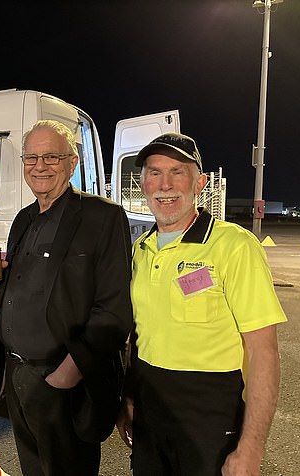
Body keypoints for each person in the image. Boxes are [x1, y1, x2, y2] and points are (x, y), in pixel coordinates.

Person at [116, 133, 287, 476]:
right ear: (143, 182)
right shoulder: (140, 250)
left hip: (211, 417)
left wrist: (251, 450)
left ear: (200, 182)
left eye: (177, 172)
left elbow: (263, 352)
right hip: (149, 411)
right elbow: (140, 336)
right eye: (154, 172)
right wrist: (129, 398)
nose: (165, 185)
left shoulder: (234, 246)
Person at [0, 120, 133, 475]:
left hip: (64, 382)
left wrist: (65, 376)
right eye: (32, 158)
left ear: (72, 163)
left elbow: (114, 310)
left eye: (51, 157)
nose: (40, 166)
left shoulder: (102, 217)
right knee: (33, 469)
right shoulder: (23, 220)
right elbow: (13, 298)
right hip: (17, 377)